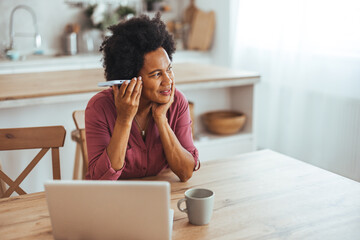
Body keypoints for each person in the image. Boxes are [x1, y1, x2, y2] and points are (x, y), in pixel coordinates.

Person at [85, 14, 199, 182]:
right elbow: (101, 180)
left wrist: (161, 119)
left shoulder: (177, 102)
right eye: (156, 74)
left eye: (169, 69)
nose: (168, 81)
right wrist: (124, 119)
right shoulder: (100, 107)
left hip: (161, 198)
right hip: (114, 201)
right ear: (129, 78)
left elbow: (186, 172)